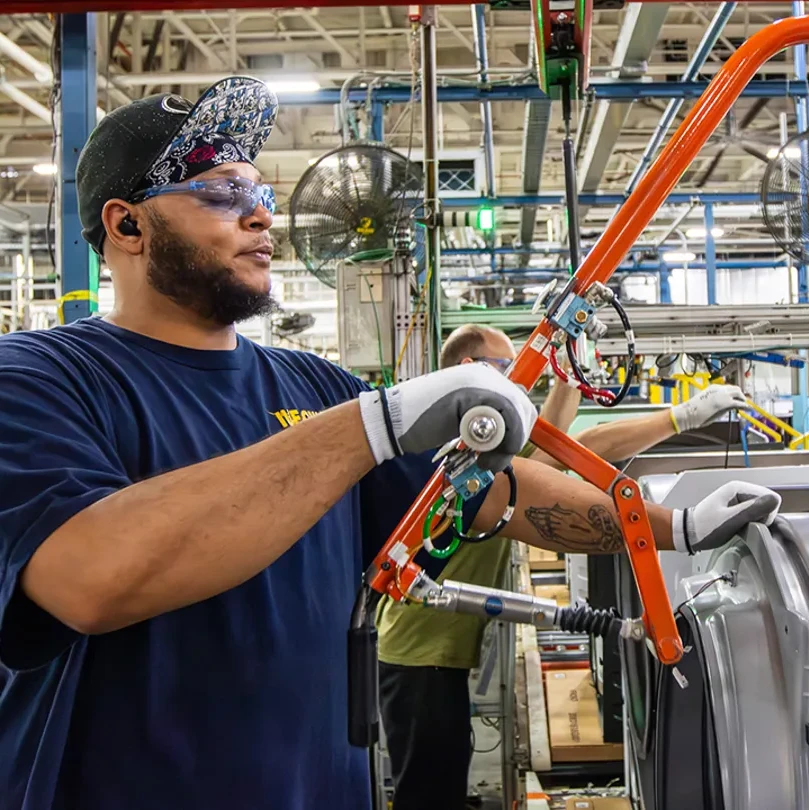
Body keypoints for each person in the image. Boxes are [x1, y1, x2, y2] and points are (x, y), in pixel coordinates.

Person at [0, 79, 778, 810]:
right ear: (126, 223)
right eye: (220, 193)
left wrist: (666, 524)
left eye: (260, 193)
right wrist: (370, 426)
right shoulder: (42, 378)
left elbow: (484, 494)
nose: (261, 215)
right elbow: (87, 578)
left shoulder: (311, 386)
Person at [377, 323, 754, 810]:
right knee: (429, 793)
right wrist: (680, 420)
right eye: (508, 369)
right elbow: (581, 448)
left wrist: (567, 369)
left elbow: (552, 438)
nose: (519, 383)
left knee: (443, 777)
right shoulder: (465, 449)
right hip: (418, 657)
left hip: (431, 653)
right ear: (470, 370)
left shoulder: (481, 440)